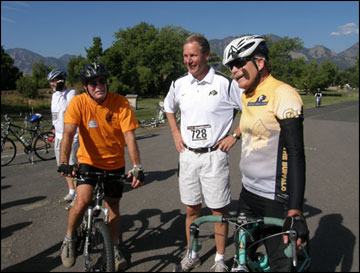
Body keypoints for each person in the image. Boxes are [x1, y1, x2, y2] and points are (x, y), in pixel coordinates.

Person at [222, 35, 309, 271]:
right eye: (231, 66)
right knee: (243, 255)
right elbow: (251, 125)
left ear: (259, 63)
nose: (234, 70)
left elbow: (295, 153)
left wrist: (295, 210)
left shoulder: (283, 93)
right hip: (249, 193)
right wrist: (235, 135)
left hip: (276, 197)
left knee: (283, 263)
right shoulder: (246, 94)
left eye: (239, 63)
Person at [164, 34, 243, 272]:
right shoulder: (179, 84)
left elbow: (249, 110)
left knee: (219, 210)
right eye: (186, 56)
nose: (189, 60)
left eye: (194, 55)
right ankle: (193, 253)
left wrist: (235, 135)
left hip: (214, 156)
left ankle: (219, 259)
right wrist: (176, 134)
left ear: (206, 55)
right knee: (191, 208)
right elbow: (169, 108)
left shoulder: (224, 83)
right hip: (188, 155)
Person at [57, 62, 145, 271]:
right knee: (82, 200)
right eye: (93, 82)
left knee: (113, 206)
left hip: (115, 163)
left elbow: (129, 137)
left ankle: (114, 247)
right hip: (88, 161)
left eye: (102, 81)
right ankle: (69, 238)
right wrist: (64, 162)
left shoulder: (121, 103)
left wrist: (137, 166)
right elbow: (68, 134)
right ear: (85, 86)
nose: (99, 85)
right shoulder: (78, 103)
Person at [48, 68, 79, 210]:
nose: (52, 84)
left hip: (72, 136)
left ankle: (79, 195)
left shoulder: (71, 94)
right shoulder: (54, 95)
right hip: (59, 135)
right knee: (63, 165)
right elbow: (55, 113)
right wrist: (53, 129)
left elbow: (67, 109)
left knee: (73, 166)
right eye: (51, 82)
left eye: (54, 81)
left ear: (61, 80)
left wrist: (61, 91)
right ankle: (71, 191)